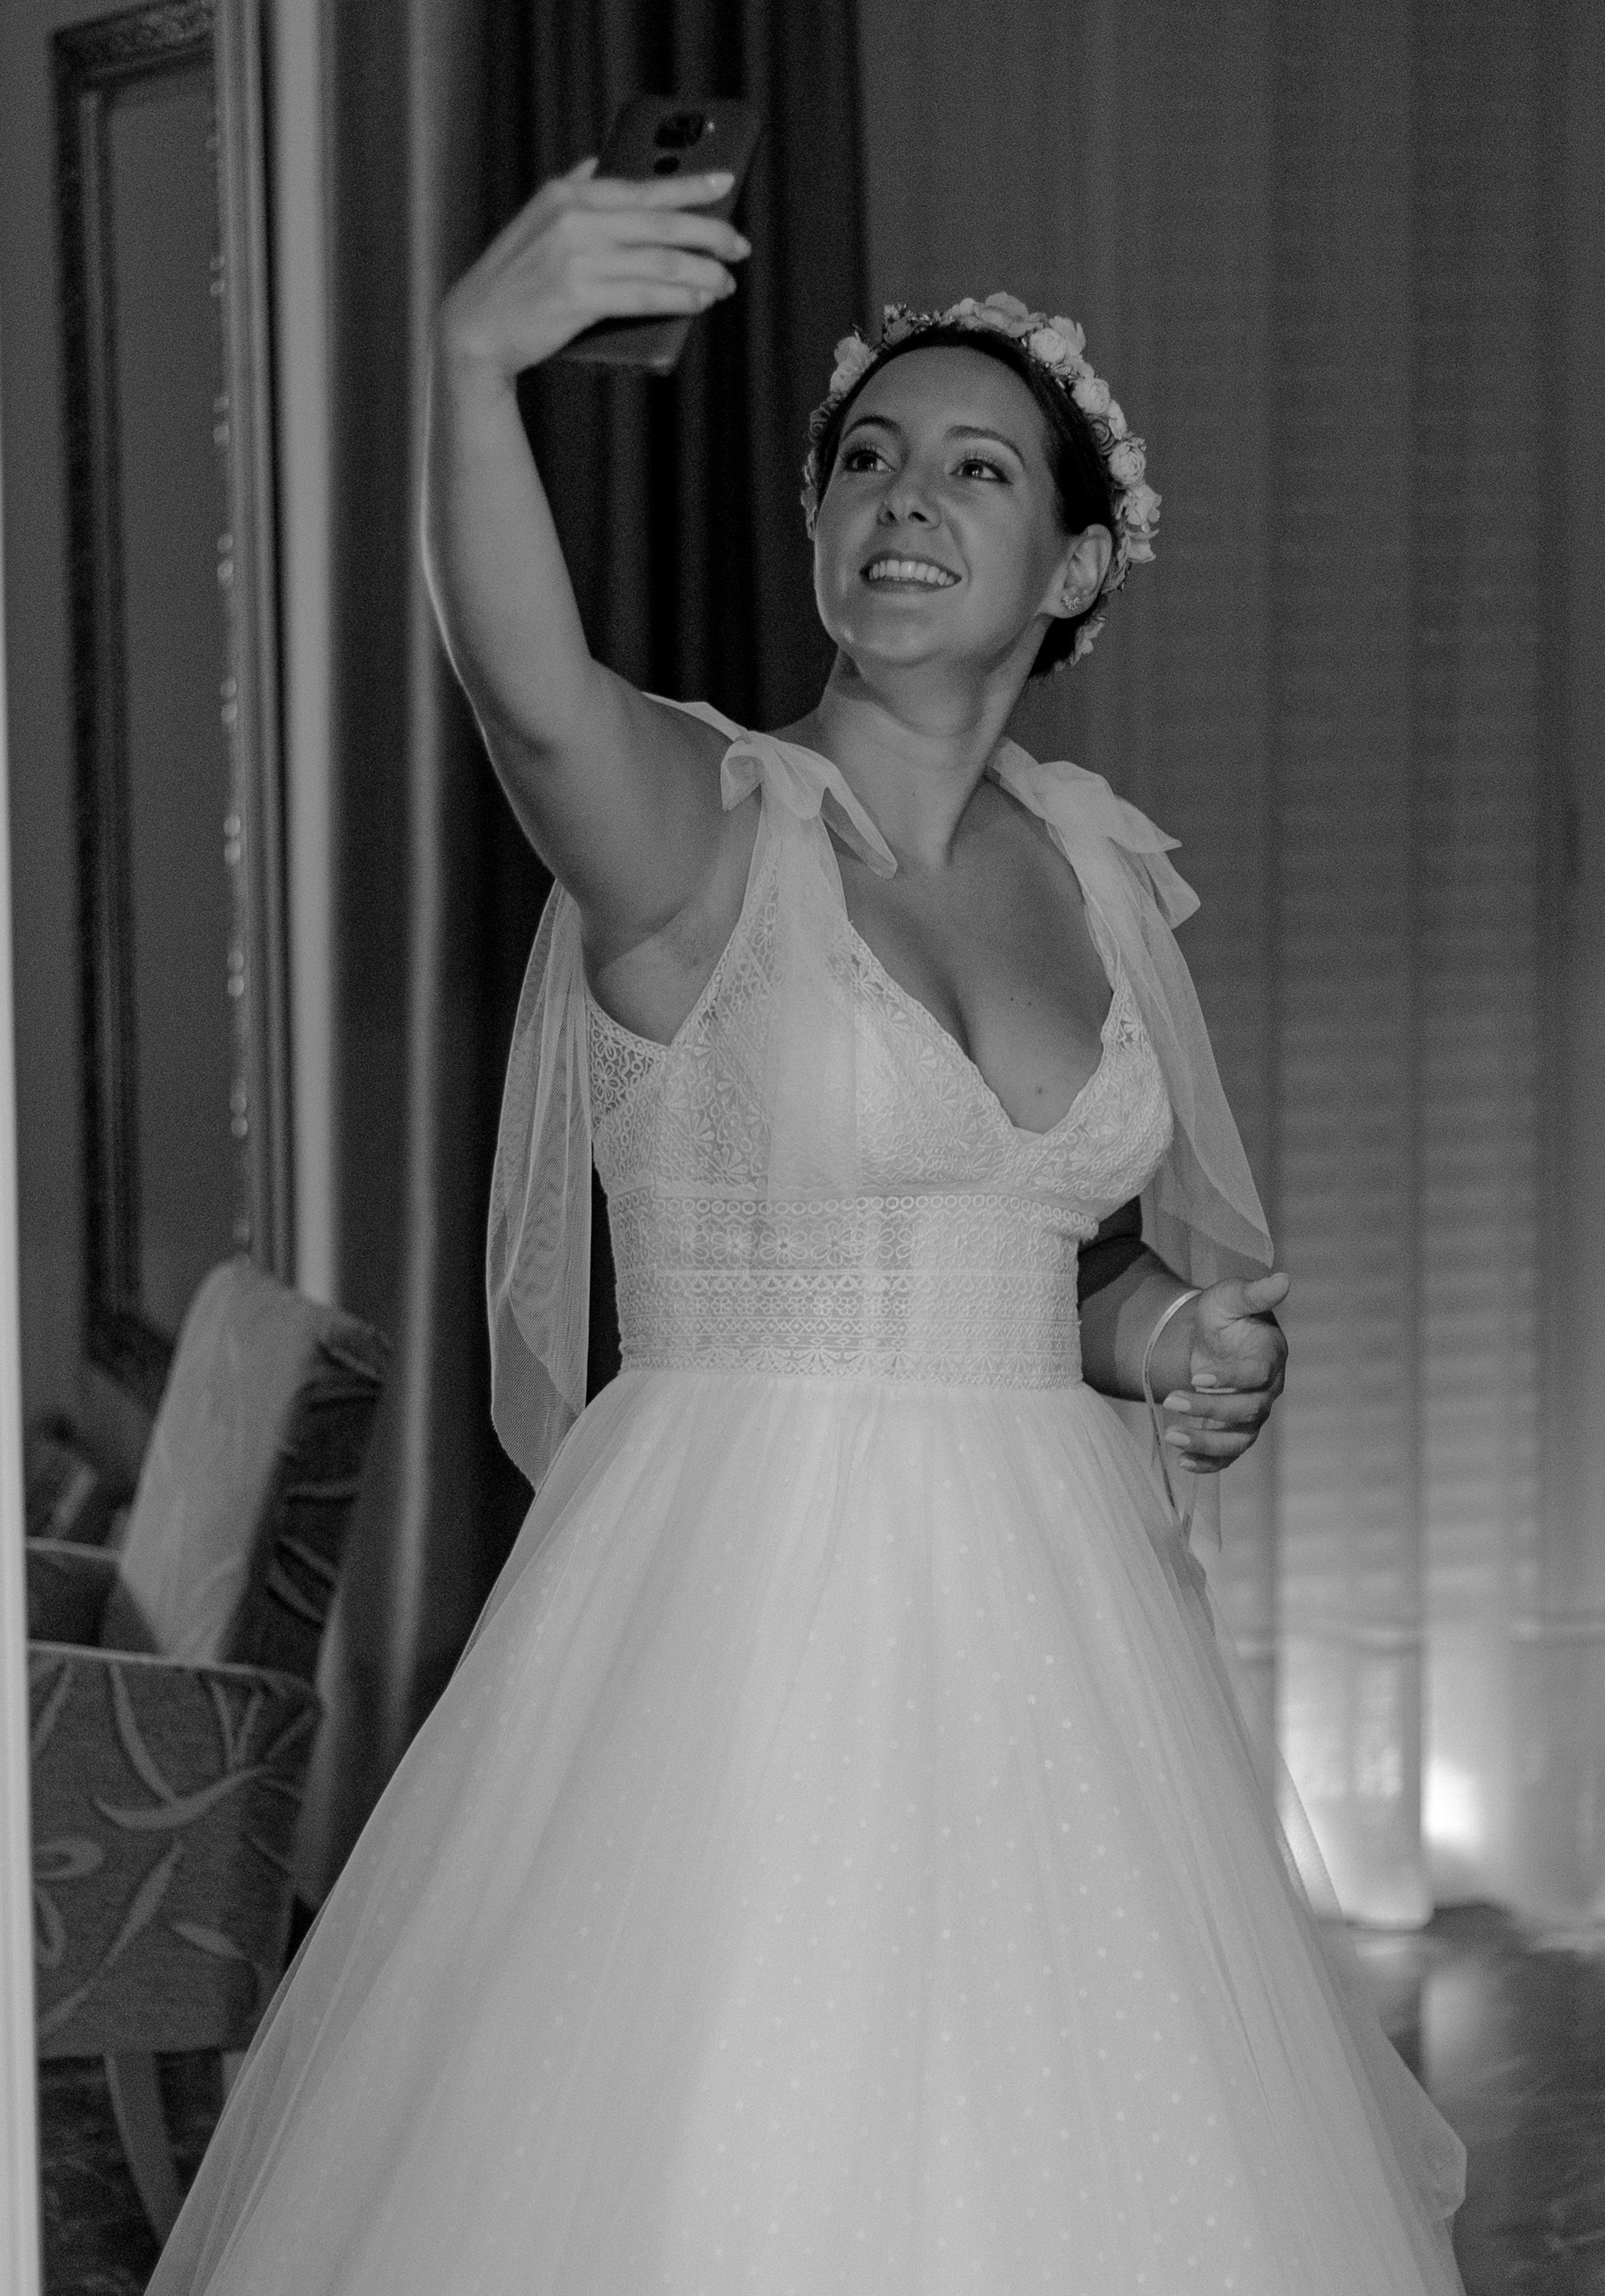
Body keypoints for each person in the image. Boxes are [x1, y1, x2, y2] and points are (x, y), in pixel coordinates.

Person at [147, 160, 1464, 2293]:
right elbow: (527, 688)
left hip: (1056, 1654)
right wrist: (472, 364)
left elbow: (1048, 1257)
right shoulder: (693, 825)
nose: (904, 496)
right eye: (866, 457)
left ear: (1077, 563)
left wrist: (1178, 1341)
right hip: (742, 1628)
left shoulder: (1091, 866)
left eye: (975, 467)